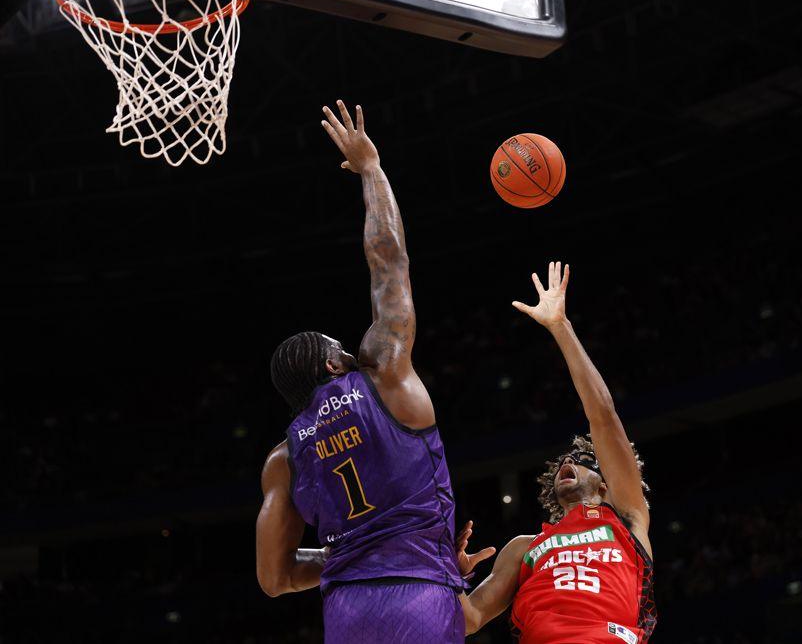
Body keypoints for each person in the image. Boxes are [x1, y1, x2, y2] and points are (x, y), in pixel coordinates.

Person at [255, 100, 479, 642]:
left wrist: (343, 555)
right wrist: (372, 169)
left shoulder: (282, 459)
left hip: (347, 609)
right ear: (335, 362)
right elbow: (388, 261)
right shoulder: (385, 376)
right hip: (422, 591)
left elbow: (275, 578)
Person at [460, 262, 657, 643]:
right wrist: (448, 578)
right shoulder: (523, 547)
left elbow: (602, 415)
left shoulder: (627, 518)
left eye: (583, 462)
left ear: (605, 484)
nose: (569, 463)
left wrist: (560, 327)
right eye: (565, 462)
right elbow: (468, 619)